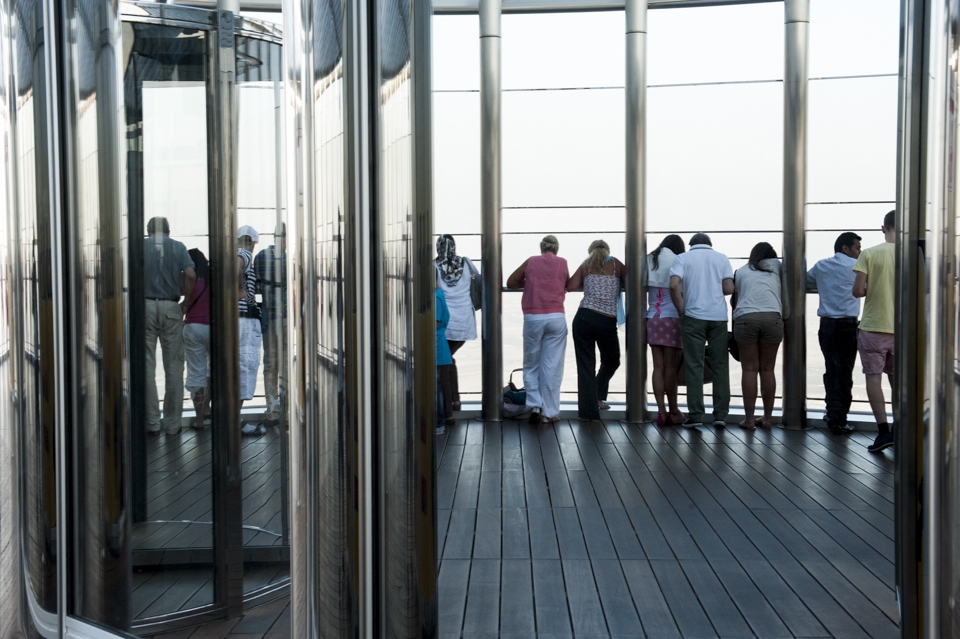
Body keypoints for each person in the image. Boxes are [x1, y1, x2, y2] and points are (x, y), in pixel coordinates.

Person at [669, 232, 734, 428]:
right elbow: (729, 289)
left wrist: (681, 310)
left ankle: (696, 416)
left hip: (693, 316)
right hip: (718, 318)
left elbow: (673, 285)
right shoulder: (722, 258)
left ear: (691, 245)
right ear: (710, 244)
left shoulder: (682, 258)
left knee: (693, 365)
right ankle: (721, 415)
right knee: (720, 365)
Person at [507, 235, 569, 424]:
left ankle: (534, 404)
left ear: (541, 248)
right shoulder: (563, 263)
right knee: (552, 366)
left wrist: (529, 283)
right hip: (556, 317)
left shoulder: (531, 261)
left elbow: (511, 283)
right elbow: (566, 285)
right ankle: (549, 413)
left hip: (533, 317)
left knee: (531, 363)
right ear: (556, 249)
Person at [143, 216, 196, 436]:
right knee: (174, 367)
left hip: (145, 306)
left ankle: (152, 422)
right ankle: (173, 424)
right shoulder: (178, 247)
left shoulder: (139, 247)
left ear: (148, 231)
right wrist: (187, 303)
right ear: (168, 230)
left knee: (147, 366)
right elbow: (191, 274)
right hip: (172, 306)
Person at [806, 232, 862, 434]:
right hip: (848, 325)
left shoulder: (822, 265)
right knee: (845, 372)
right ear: (845, 248)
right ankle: (841, 418)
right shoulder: (858, 268)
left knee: (832, 369)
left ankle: (832, 413)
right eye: (857, 248)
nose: (859, 252)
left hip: (827, 325)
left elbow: (807, 281)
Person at [567, 240, 625, 420]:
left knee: (585, 367)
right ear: (608, 250)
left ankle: (589, 412)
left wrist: (589, 284)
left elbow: (571, 286)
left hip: (584, 317)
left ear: (590, 251)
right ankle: (598, 396)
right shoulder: (616, 264)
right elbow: (632, 281)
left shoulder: (586, 264)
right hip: (606, 321)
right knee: (612, 360)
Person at [854, 211, 896, 453]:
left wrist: (872, 286)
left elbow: (858, 291)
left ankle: (883, 432)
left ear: (884, 228)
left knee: (874, 378)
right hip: (902, 328)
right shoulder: (912, 256)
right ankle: (901, 429)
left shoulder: (869, 254)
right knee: (897, 381)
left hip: (873, 326)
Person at [732, 242, 783, 430]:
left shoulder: (742, 271)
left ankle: (750, 420)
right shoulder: (777, 267)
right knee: (768, 370)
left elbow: (735, 300)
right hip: (773, 317)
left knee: (750, 370)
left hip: (746, 318)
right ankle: (768, 419)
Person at [645, 235, 687, 426]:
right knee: (670, 368)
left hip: (653, 317)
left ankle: (660, 411)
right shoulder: (678, 260)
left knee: (658, 367)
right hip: (671, 319)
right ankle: (673, 410)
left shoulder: (650, 259)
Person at [434, 234, 478, 411]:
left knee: (445, 361)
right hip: (464, 321)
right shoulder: (466, 263)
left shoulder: (434, 266)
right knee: (448, 359)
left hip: (443, 321)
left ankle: (448, 404)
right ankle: (454, 401)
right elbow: (479, 281)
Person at [255, 225, 287, 423]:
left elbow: (254, 281)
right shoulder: (288, 259)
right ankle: (286, 411)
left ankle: (271, 409)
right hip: (284, 318)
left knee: (270, 364)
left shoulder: (261, 256)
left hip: (267, 316)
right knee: (285, 365)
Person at [238, 225, 263, 436]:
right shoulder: (244, 254)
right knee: (245, 368)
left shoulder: (234, 254)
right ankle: (235, 421)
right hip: (245, 320)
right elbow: (237, 269)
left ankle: (234, 419)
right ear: (253, 243)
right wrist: (241, 291)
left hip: (239, 319)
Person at [183, 249, 212, 430]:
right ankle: (208, 408)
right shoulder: (213, 279)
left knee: (196, 372)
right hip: (213, 328)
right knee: (210, 371)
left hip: (193, 327)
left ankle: (199, 418)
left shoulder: (188, 280)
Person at [436, 286, 454, 433]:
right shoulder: (439, 294)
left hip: (437, 350)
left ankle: (439, 423)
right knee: (439, 387)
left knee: (437, 389)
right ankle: (442, 420)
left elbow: (432, 325)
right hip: (439, 349)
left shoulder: (435, 297)